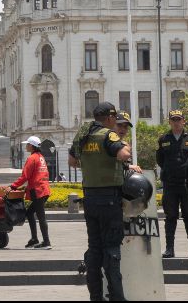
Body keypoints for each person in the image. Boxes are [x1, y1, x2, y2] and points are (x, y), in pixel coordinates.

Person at [69, 102, 132, 302]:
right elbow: (123, 155)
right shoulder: (108, 135)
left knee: (94, 250)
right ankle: (116, 297)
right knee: (112, 249)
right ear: (110, 118)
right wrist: (125, 147)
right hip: (109, 200)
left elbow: (72, 161)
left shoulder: (83, 135)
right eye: (114, 118)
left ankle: (96, 297)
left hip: (90, 199)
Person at [156, 109, 188, 259]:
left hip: (187, 184)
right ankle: (169, 249)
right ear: (169, 122)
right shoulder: (163, 139)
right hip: (170, 184)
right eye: (173, 120)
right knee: (171, 216)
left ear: (184, 121)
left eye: (179, 120)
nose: (176, 123)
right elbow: (160, 160)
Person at [9, 136, 52, 250]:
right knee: (29, 213)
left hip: (38, 191)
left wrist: (13, 186)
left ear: (32, 146)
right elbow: (37, 175)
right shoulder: (40, 157)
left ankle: (46, 242)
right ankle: (34, 239)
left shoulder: (32, 158)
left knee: (41, 216)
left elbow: (25, 176)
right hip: (44, 189)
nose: (26, 146)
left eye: (27, 144)